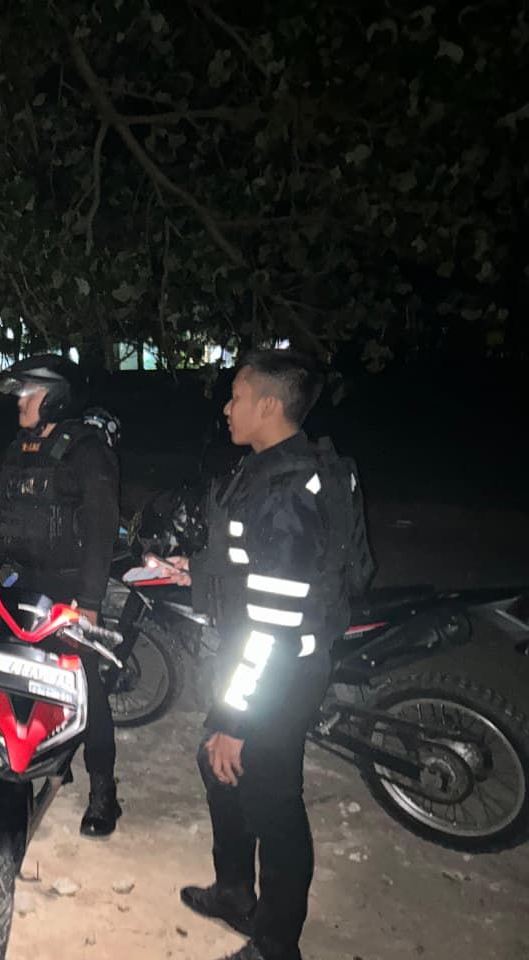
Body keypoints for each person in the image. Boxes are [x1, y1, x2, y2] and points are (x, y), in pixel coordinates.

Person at [176, 350, 371, 960]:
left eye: (236, 396)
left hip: (279, 668)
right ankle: (235, 890)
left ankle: (276, 943)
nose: (226, 407)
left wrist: (237, 721)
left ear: (267, 405)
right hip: (261, 655)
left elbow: (274, 625)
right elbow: (251, 569)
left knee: (272, 801)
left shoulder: (285, 490)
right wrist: (194, 571)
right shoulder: (273, 468)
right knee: (217, 764)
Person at [0, 353, 123, 838]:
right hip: (23, 583)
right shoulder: (19, 449)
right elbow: (6, 521)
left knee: (84, 687)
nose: (20, 403)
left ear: (54, 398)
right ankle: (39, 759)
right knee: (21, 676)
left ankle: (104, 791)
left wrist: (89, 602)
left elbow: (101, 531)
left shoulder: (87, 451)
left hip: (71, 589)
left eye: (28, 393)